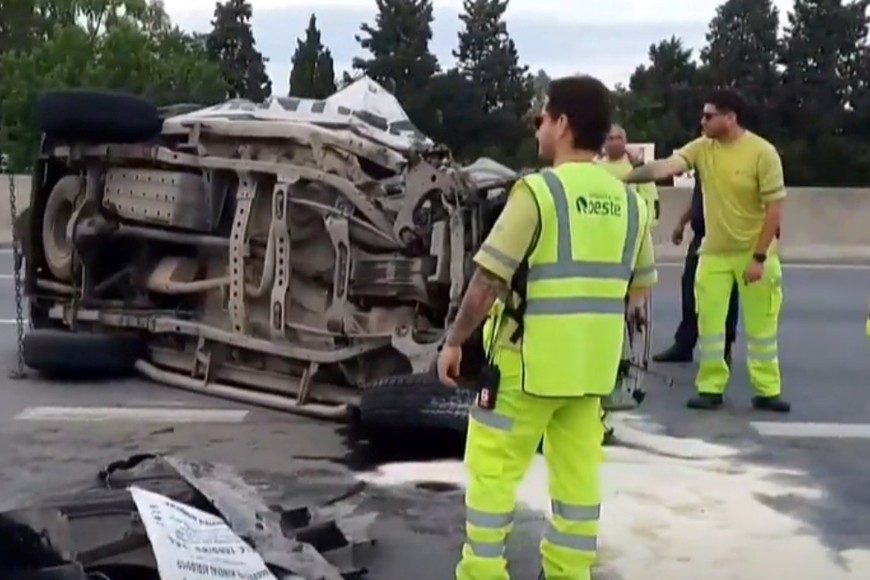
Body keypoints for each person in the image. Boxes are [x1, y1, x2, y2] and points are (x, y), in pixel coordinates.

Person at [436, 75, 657, 580]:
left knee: (492, 473)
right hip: (591, 372)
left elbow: (488, 280)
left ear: (562, 123)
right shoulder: (629, 202)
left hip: (526, 368)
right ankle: (568, 572)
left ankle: (483, 572)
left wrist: (455, 342)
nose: (537, 128)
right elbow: (639, 292)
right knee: (578, 483)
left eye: (541, 117)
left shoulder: (538, 191)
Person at [623, 88, 790, 413]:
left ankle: (767, 390)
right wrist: (627, 178)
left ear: (731, 117)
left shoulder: (762, 153)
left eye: (709, 115)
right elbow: (667, 167)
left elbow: (774, 210)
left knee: (761, 329)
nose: (703, 121)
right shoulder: (702, 148)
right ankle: (711, 387)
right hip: (713, 253)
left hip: (756, 253)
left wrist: (758, 257)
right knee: (710, 325)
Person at [653, 173, 739, 365]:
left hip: (725, 238)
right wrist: (682, 223)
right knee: (690, 288)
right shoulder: (704, 160)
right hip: (701, 237)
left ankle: (724, 347)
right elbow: (700, 198)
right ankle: (685, 343)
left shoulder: (733, 162)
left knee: (724, 294)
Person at [596, 124, 660, 226]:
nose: (614, 142)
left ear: (625, 141)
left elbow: (651, 199)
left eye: (618, 138)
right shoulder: (595, 168)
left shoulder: (638, 168)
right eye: (611, 138)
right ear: (604, 142)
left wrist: (647, 225)